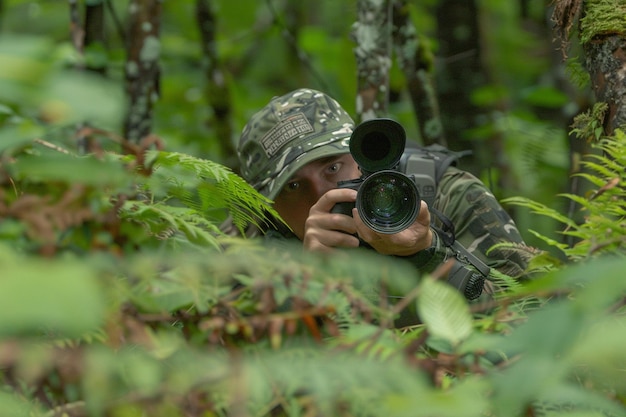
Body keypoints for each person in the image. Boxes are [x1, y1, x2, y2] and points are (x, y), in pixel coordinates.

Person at [232, 87, 529, 303]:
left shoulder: (448, 194)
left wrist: (426, 255)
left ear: (361, 157)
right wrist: (306, 289)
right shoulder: (245, 242)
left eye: (333, 167)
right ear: (268, 207)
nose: (323, 196)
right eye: (293, 187)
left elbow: (529, 315)